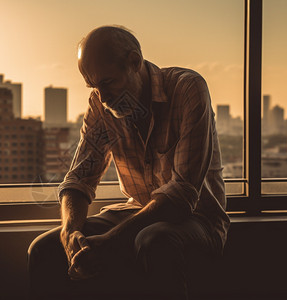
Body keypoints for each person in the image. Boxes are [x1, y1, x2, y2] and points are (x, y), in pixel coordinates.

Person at [28, 25, 230, 300]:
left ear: (135, 62)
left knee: (155, 241)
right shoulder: (101, 106)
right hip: (137, 211)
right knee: (44, 248)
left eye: (108, 82)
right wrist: (69, 232)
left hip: (198, 220)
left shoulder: (187, 90)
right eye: (93, 86)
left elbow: (182, 196)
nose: (102, 96)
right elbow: (78, 180)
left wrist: (111, 241)